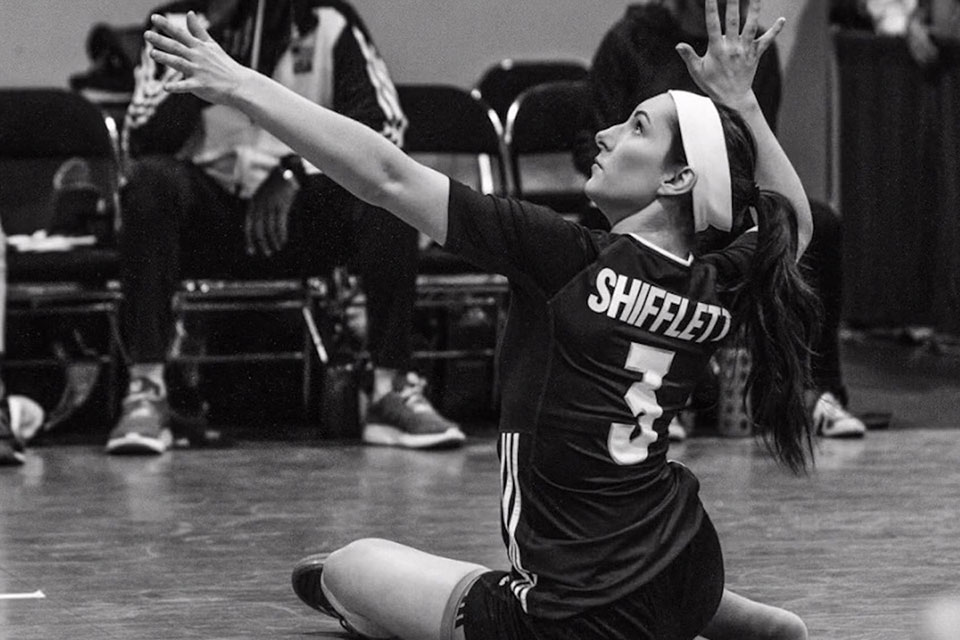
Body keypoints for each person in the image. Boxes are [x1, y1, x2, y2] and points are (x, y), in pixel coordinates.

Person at [147, 0, 813, 638]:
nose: (605, 134)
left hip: (569, 619)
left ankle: (669, 611)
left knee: (345, 569)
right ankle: (692, 611)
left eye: (636, 128)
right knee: (616, 562)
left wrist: (239, 86)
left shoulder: (565, 258)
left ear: (676, 182)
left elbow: (387, 175)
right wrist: (744, 104)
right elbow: (794, 220)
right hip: (686, 561)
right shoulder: (716, 280)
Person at [110, 0, 466, 455]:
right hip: (210, 214)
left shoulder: (330, 23)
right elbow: (139, 142)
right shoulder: (177, 23)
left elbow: (386, 133)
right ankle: (147, 391)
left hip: (302, 216)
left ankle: (389, 389)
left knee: (389, 193)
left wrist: (294, 172)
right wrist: (204, 62)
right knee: (147, 185)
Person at [575, 0, 868, 440]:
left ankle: (816, 390)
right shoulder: (631, 38)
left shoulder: (746, 52)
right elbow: (590, 141)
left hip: (717, 202)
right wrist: (646, 180)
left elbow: (753, 158)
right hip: (645, 206)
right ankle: (647, 393)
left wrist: (739, 100)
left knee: (819, 224)